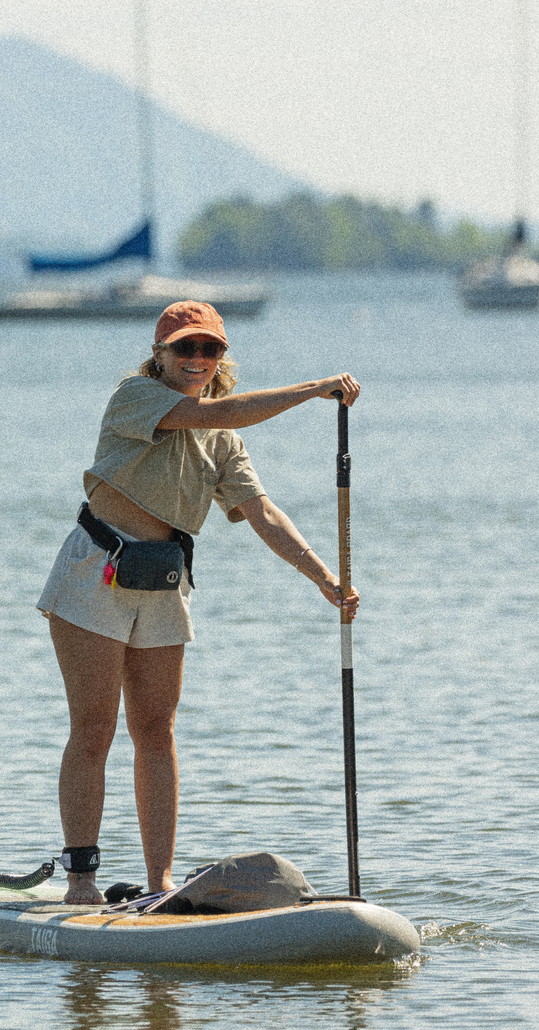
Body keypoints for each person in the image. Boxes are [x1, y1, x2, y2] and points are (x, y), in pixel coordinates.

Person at [37, 300, 361, 904]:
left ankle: (160, 881)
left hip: (161, 582)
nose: (197, 359)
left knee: (156, 730)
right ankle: (81, 880)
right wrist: (315, 389)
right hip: (95, 572)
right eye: (184, 348)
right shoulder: (136, 396)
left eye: (210, 349)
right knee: (94, 728)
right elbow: (214, 411)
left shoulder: (223, 441)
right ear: (159, 356)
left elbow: (261, 512)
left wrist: (325, 580)